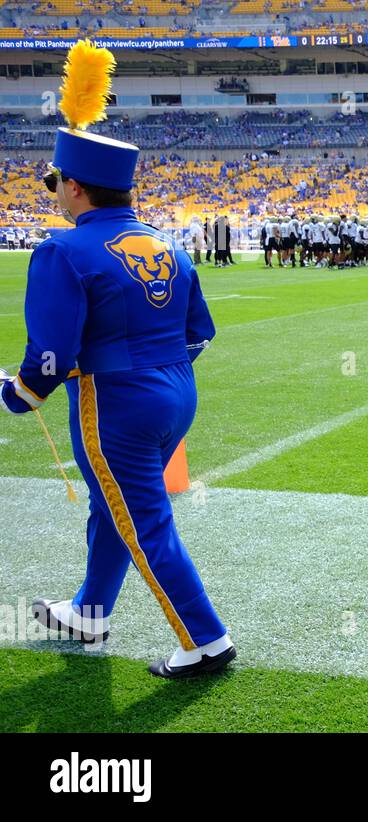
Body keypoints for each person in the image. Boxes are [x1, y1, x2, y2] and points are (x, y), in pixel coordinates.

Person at [2, 41, 234, 678]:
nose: (54, 196)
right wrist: (155, 369)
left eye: (56, 185)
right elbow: (200, 332)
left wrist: (17, 393)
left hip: (118, 404)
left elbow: (50, 355)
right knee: (116, 505)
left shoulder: (63, 250)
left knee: (144, 523)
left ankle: (206, 640)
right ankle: (91, 610)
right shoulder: (168, 243)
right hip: (175, 392)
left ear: (73, 187)